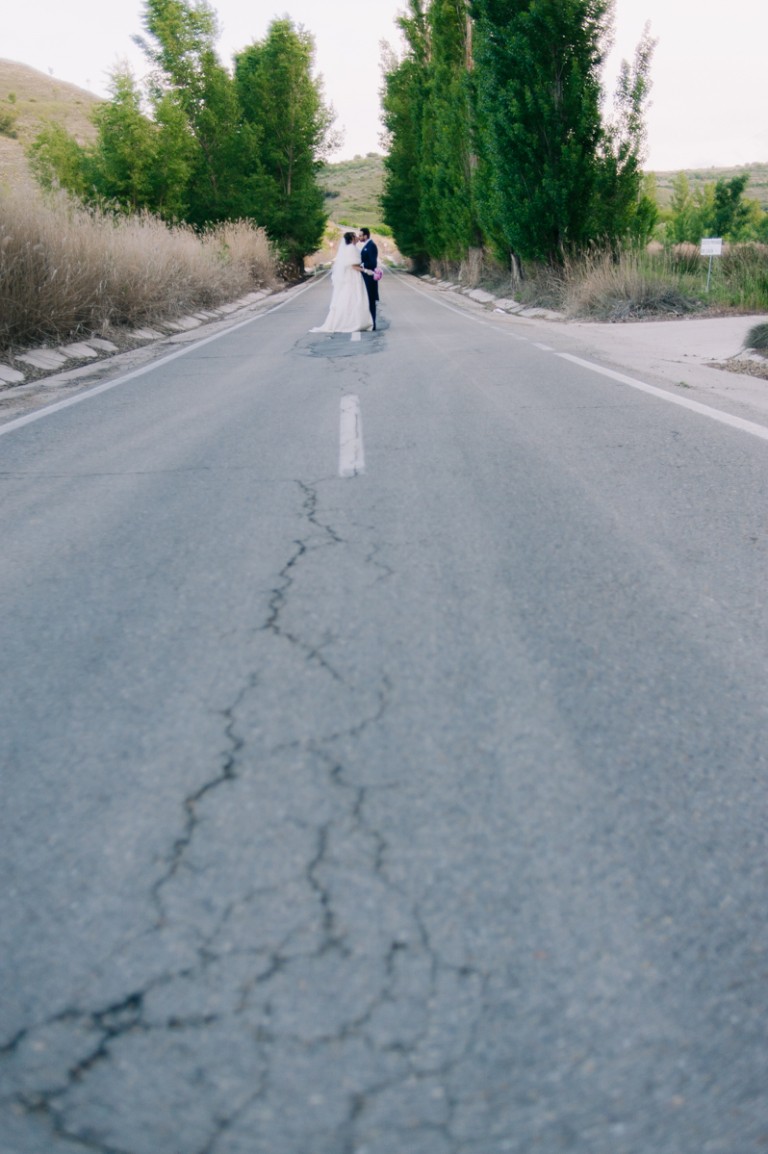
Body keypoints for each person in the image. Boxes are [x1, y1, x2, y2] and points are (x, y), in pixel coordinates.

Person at [310, 232, 372, 333]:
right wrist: (366, 271)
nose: (357, 238)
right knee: (354, 298)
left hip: (351, 276)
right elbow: (353, 266)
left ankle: (351, 321)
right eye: (355, 236)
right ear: (352, 238)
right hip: (352, 276)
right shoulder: (351, 249)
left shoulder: (350, 248)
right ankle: (352, 322)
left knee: (349, 297)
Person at [357, 227, 379, 331]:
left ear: (366, 235)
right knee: (367, 300)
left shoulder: (371, 246)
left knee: (370, 300)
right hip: (365, 277)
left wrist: (362, 265)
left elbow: (373, 263)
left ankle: (373, 324)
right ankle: (369, 322)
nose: (359, 237)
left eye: (361, 235)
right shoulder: (367, 246)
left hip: (370, 278)